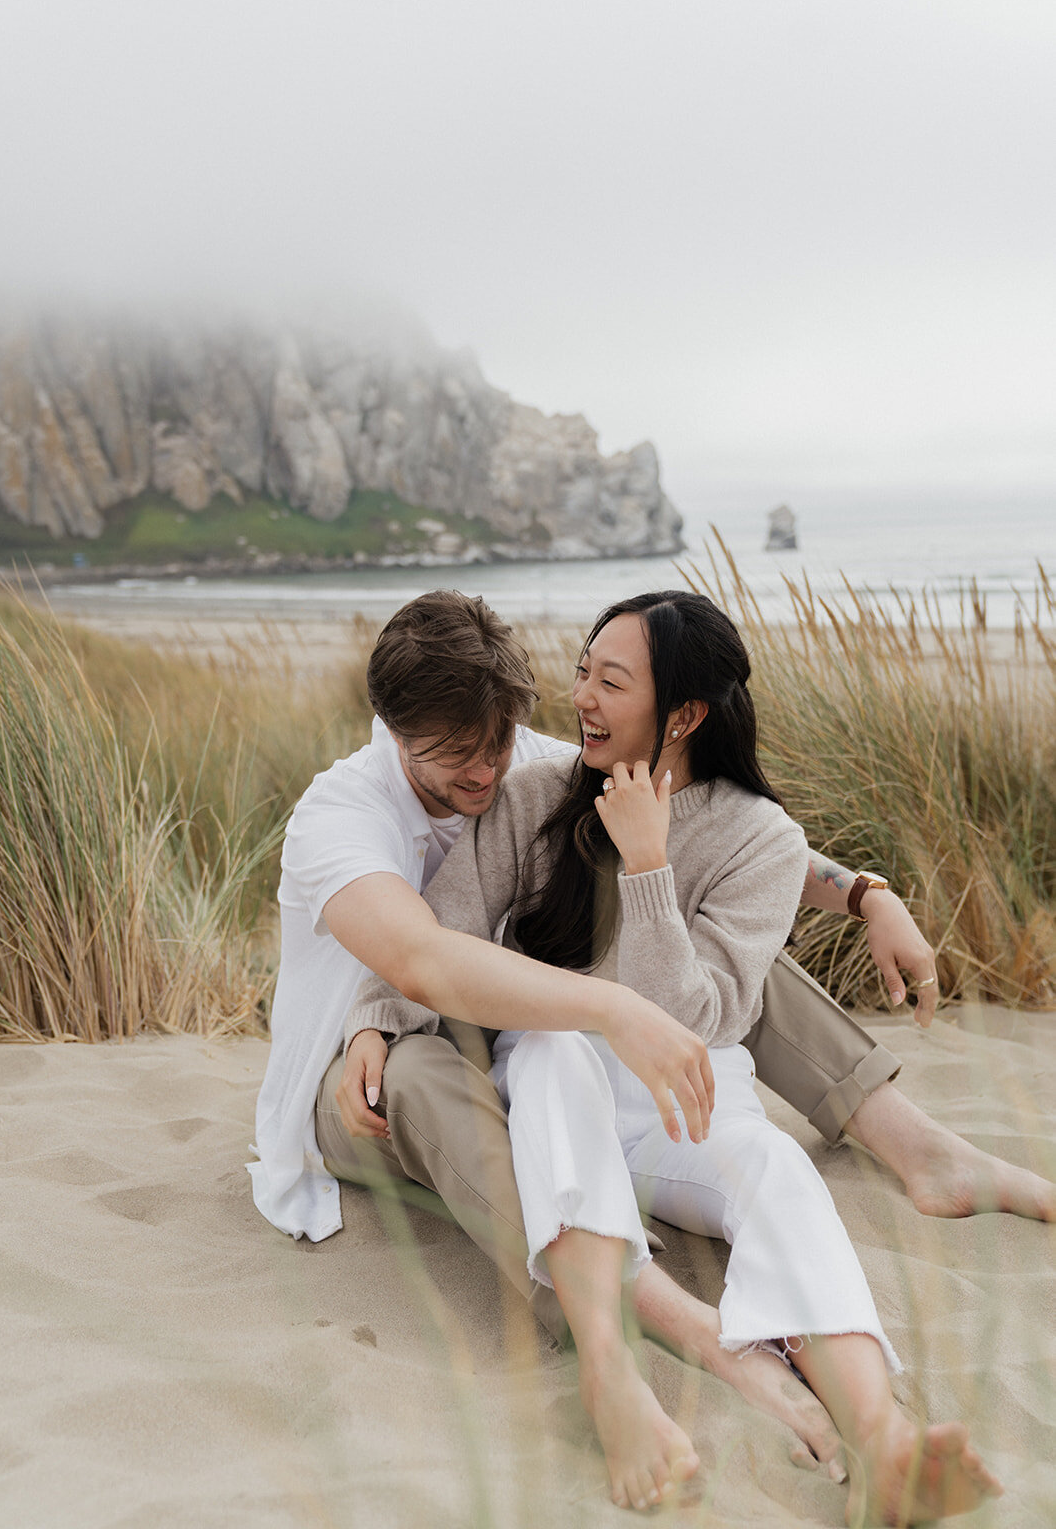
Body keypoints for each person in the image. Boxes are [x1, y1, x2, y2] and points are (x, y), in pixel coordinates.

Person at [248, 591, 1052, 1427]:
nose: (483, 772)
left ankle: (912, 1144)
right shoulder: (345, 814)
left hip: (506, 1013)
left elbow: (732, 840)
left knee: (722, 954)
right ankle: (650, 1305)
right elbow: (423, 959)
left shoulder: (532, 766)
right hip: (366, 1066)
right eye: (453, 755)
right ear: (390, 727)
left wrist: (861, 893)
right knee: (489, 1053)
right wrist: (379, 1016)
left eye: (497, 744)